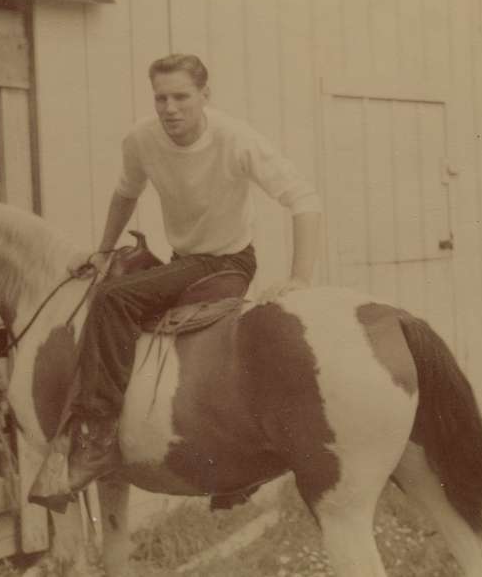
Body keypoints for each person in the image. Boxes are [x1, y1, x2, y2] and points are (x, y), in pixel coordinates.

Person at [60, 53, 322, 495]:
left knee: (112, 299)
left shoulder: (236, 140)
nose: (170, 108)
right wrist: (104, 250)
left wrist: (300, 277)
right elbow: (126, 192)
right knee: (113, 288)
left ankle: (98, 436)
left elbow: (304, 199)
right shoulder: (142, 140)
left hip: (228, 261)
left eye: (181, 96)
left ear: (205, 95)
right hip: (183, 259)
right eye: (160, 98)